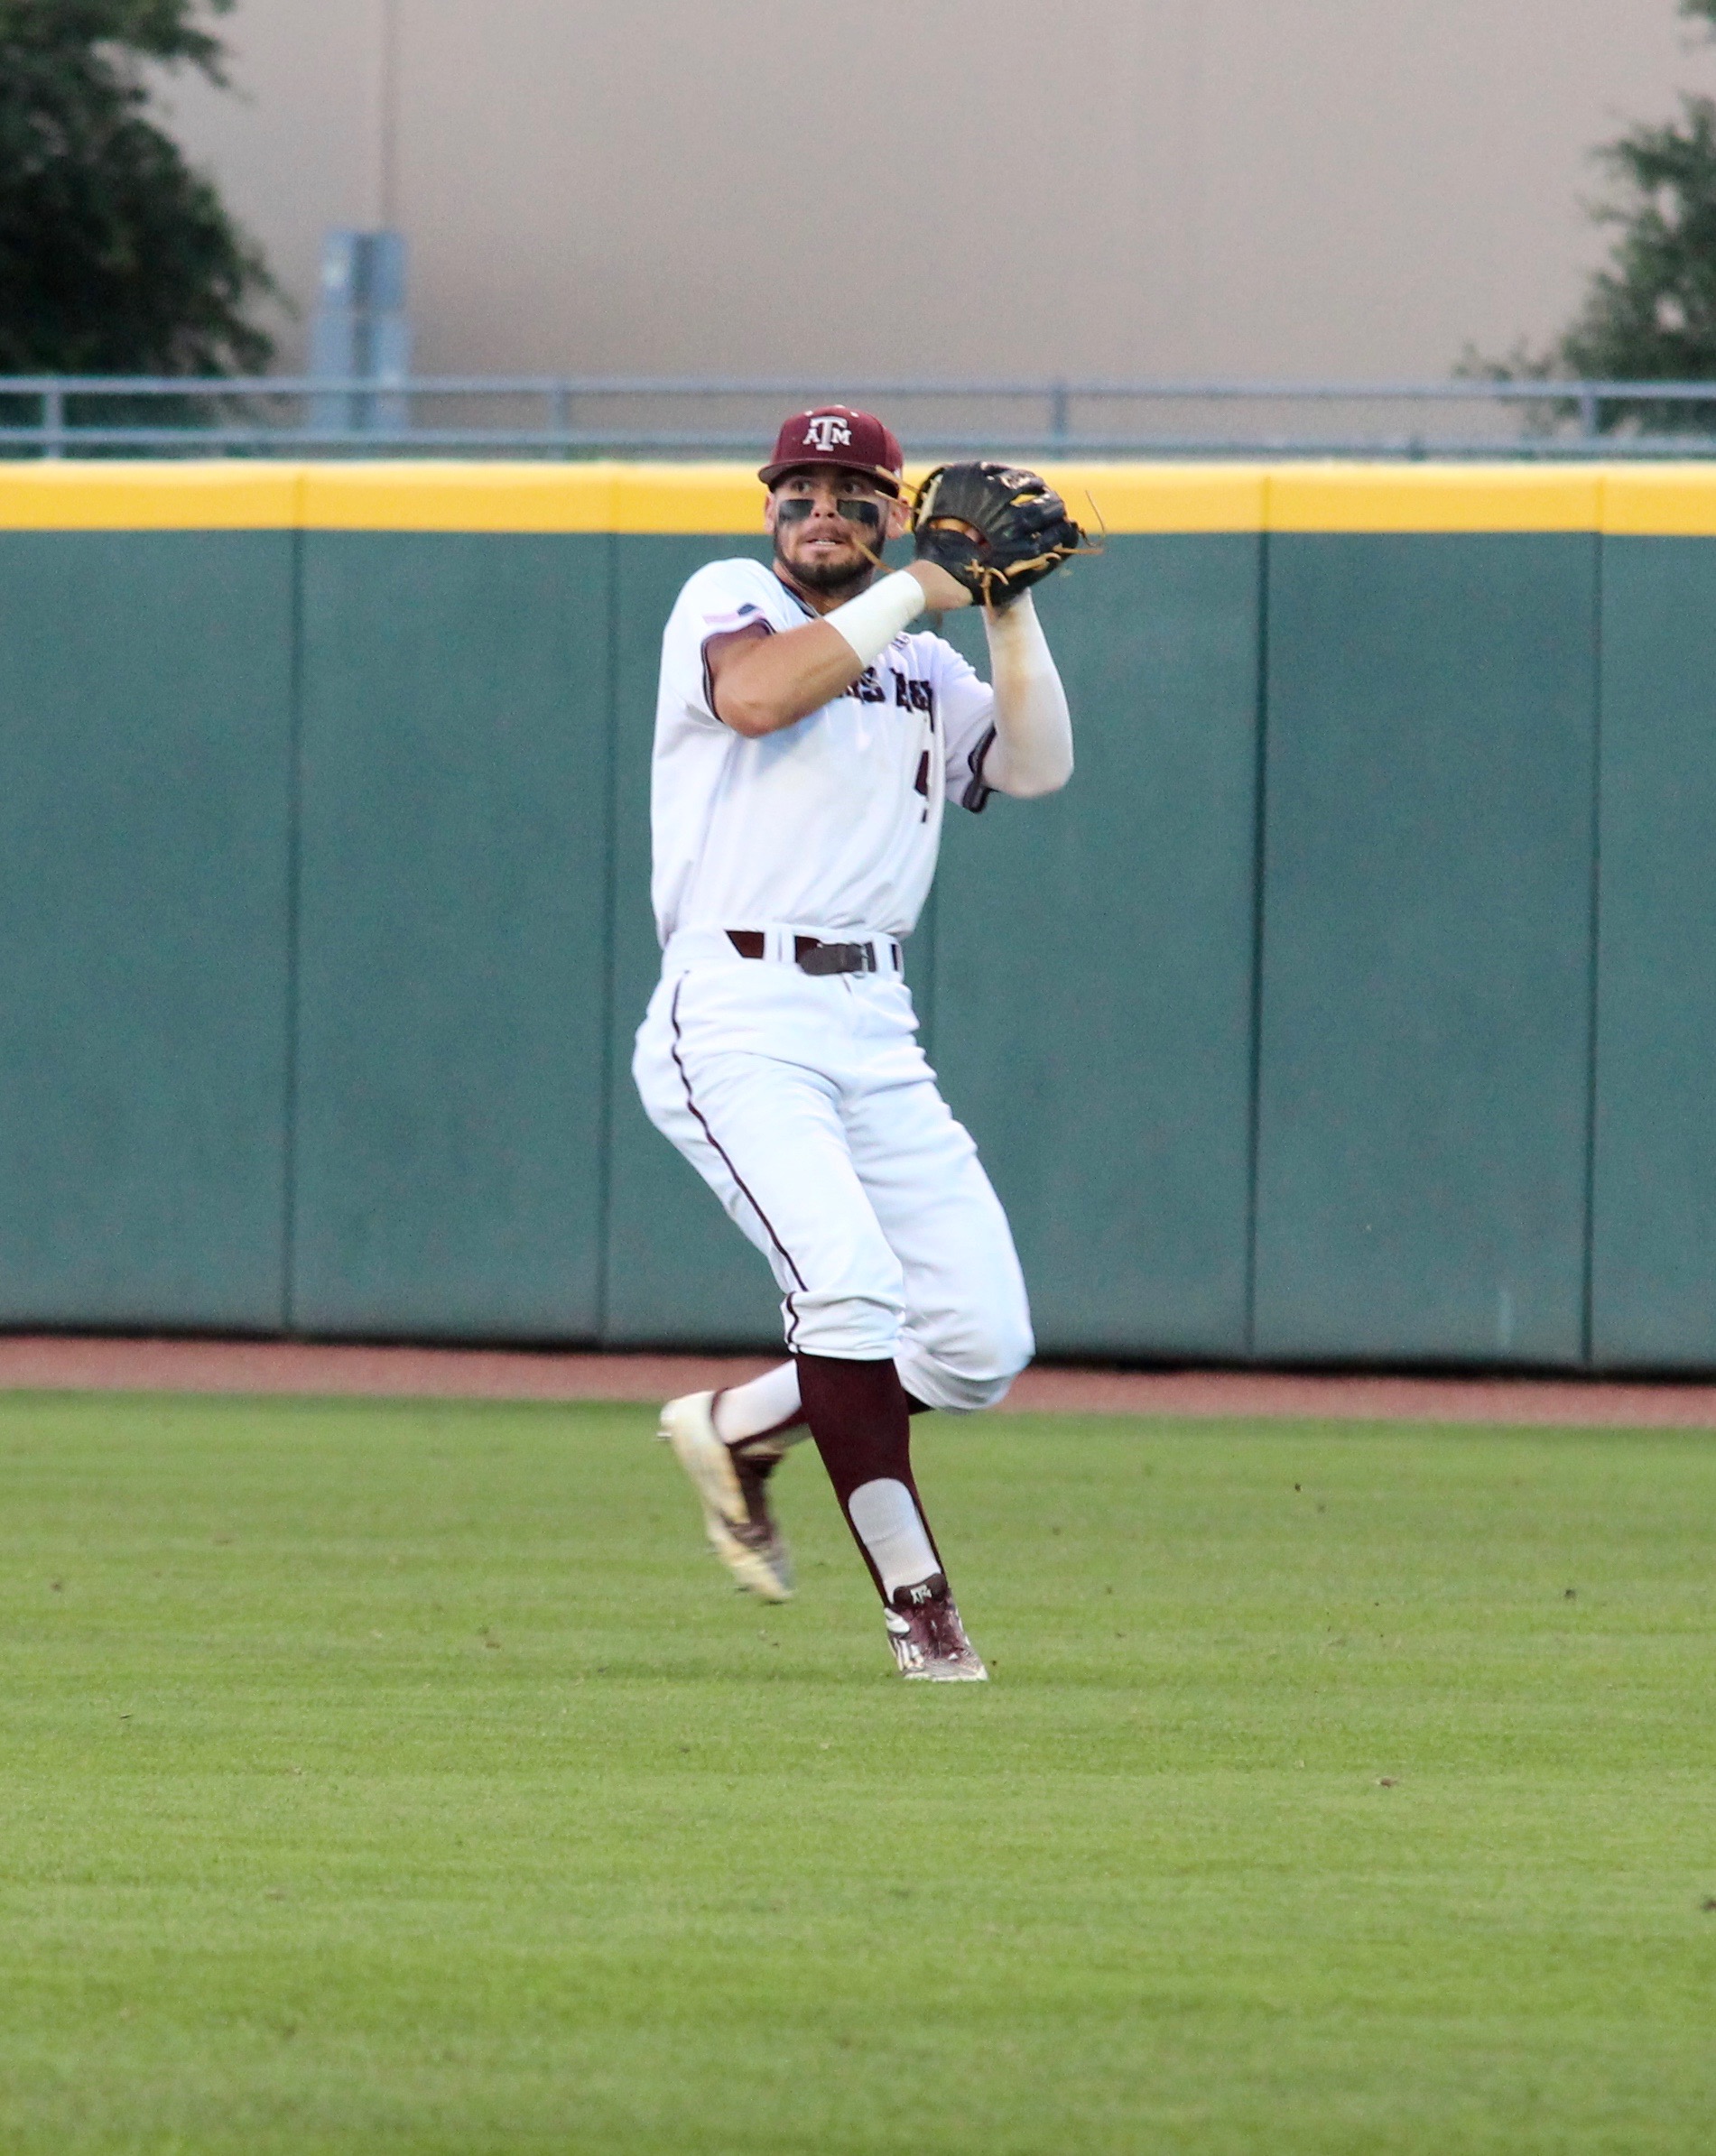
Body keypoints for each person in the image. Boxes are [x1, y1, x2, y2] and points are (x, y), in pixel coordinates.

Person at [633, 405, 1074, 1680]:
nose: (819, 507)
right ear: (768, 509)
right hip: (736, 1006)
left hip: (874, 1023)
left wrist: (1004, 607)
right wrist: (931, 582)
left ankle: (732, 1424)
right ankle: (917, 1604)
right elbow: (761, 696)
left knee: (977, 1346)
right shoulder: (727, 596)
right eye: (799, 488)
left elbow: (1036, 766)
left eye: (850, 490)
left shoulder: (927, 662)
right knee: (848, 1293)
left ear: (891, 509)